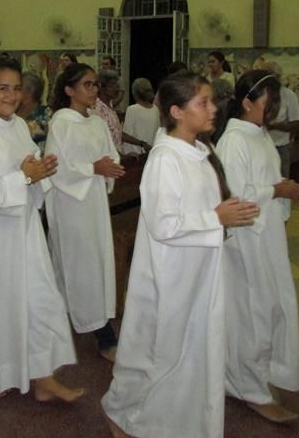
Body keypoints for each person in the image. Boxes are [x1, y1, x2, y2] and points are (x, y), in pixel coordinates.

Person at [102, 72, 259, 438]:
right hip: (169, 274)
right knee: (159, 352)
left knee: (192, 348)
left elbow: (203, 206)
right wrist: (215, 218)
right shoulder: (165, 159)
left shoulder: (200, 152)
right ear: (176, 111)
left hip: (198, 270)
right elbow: (163, 224)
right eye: (203, 102)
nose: (213, 108)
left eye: (211, 101)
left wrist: (226, 212)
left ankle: (180, 420)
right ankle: (125, 413)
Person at [0, 58, 84, 401]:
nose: (11, 96)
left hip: (23, 230)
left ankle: (43, 378)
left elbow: (30, 169)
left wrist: (39, 172)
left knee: (39, 299)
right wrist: (24, 177)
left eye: (16, 89)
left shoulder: (19, 127)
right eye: (3, 88)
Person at [216, 71, 299, 424]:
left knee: (270, 305)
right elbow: (235, 195)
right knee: (252, 311)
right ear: (246, 102)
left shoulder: (258, 135)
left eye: (277, 100)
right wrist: (277, 190)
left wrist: (286, 188)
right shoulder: (234, 140)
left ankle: (250, 377)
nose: (274, 107)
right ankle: (250, 389)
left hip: (266, 236)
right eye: (268, 101)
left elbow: (266, 182)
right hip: (246, 239)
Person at [45, 63, 124, 361]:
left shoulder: (97, 123)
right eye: (87, 85)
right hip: (71, 205)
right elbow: (56, 167)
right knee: (81, 266)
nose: (93, 90)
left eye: (95, 84)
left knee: (93, 264)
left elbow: (110, 154)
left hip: (94, 203)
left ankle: (69, 318)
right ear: (69, 90)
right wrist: (93, 168)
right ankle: (103, 335)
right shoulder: (61, 123)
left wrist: (110, 167)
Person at [122, 77, 158, 155]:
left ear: (135, 93)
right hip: (150, 152)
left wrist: (142, 143)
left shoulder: (132, 109)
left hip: (134, 154)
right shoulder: (156, 109)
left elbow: (125, 136)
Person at [17, 71, 51, 149]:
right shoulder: (11, 112)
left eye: (18, 89)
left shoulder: (46, 114)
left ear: (30, 92)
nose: (14, 92)